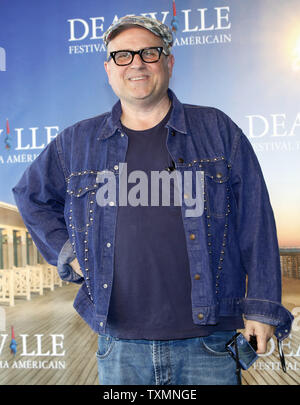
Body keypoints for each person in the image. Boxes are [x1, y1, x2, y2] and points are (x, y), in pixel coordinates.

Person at [13, 15, 293, 385]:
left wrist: (262, 307)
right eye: (122, 56)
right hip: (120, 346)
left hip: (207, 344)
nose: (137, 64)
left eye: (149, 52)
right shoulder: (75, 143)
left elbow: (255, 222)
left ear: (169, 62)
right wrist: (71, 253)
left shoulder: (217, 130)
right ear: (109, 70)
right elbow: (30, 196)